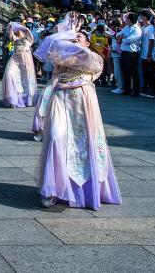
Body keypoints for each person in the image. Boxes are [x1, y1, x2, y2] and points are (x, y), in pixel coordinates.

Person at [35, 29, 121, 210]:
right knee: (55, 136)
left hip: (82, 101)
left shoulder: (91, 57)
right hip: (60, 99)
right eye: (73, 37)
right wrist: (65, 32)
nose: (75, 38)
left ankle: (84, 190)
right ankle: (53, 189)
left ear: (87, 43)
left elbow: (92, 63)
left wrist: (76, 46)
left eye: (79, 36)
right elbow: (49, 49)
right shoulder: (61, 56)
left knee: (84, 143)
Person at [2, 22, 37, 107]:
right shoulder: (15, 38)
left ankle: (27, 98)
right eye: (16, 30)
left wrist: (23, 28)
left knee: (27, 78)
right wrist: (11, 27)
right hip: (15, 59)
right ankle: (13, 97)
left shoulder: (28, 39)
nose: (18, 31)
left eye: (19, 30)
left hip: (26, 59)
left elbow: (28, 32)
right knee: (9, 74)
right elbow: (11, 36)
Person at [115, 13, 142, 97]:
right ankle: (127, 89)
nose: (126, 20)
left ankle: (136, 91)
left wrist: (122, 38)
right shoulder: (126, 27)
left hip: (132, 53)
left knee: (133, 72)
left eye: (127, 19)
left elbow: (128, 40)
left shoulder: (137, 29)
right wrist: (121, 36)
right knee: (125, 72)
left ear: (130, 20)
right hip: (124, 52)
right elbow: (118, 34)